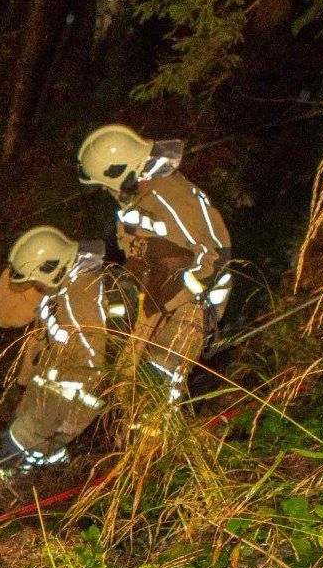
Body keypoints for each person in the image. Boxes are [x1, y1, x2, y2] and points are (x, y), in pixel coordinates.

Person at [0, 226, 131, 504]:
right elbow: (15, 319)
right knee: (25, 425)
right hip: (55, 374)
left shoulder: (80, 296)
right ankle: (56, 466)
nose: (34, 287)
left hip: (77, 386)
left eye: (36, 280)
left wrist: (58, 398)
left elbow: (92, 361)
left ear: (52, 268)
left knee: (21, 435)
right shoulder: (63, 286)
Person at [77, 124, 232, 404]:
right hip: (154, 300)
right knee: (126, 385)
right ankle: (134, 442)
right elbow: (136, 252)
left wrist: (186, 293)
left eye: (104, 183)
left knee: (157, 379)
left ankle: (165, 442)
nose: (104, 189)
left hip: (192, 301)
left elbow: (216, 251)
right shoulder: (134, 201)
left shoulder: (170, 194)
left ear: (120, 172)